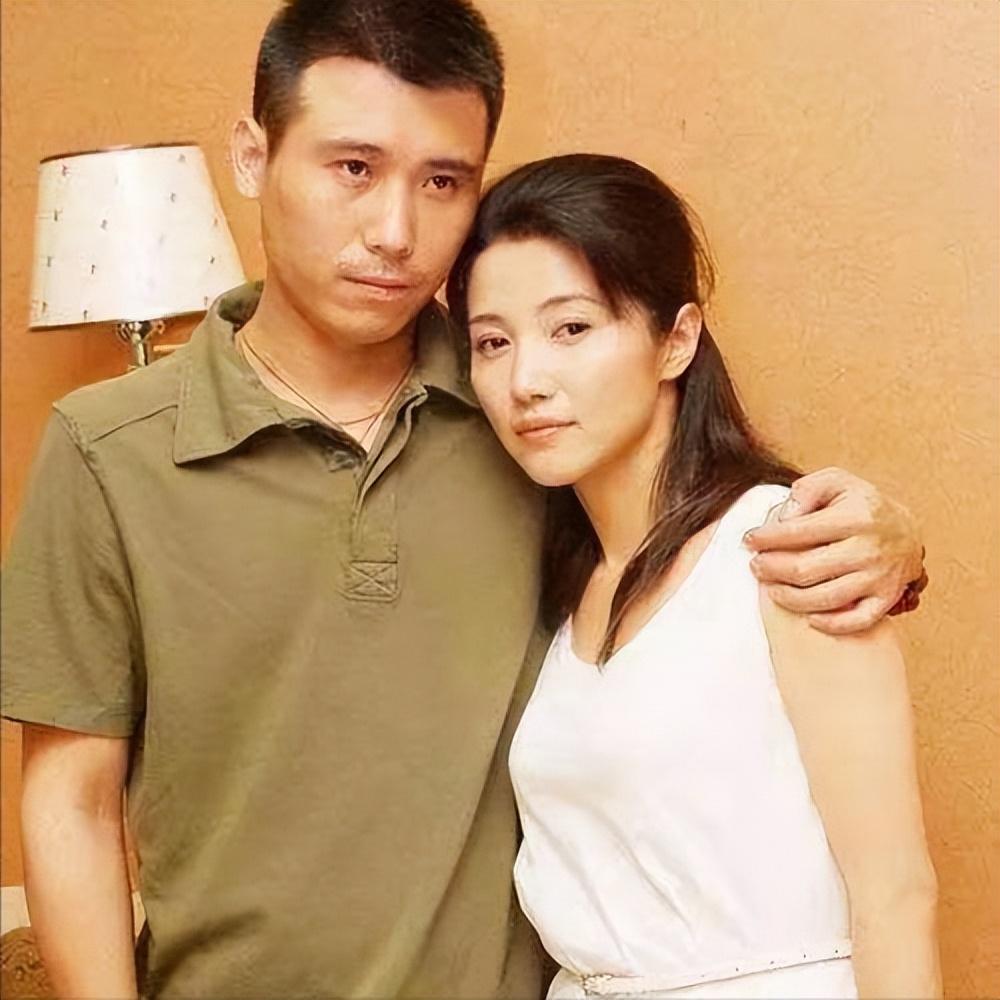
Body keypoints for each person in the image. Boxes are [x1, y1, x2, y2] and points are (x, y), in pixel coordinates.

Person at [1, 2, 926, 998]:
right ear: (252, 156)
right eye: (353, 168)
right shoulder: (110, 450)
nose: (395, 233)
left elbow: (692, 534)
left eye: (442, 181)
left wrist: (891, 544)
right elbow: (71, 803)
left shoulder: (526, 421)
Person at [446, 153, 940, 999]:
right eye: (493, 342)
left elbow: (895, 898)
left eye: (571, 329)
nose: (526, 381)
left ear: (676, 340)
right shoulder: (561, 583)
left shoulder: (791, 548)